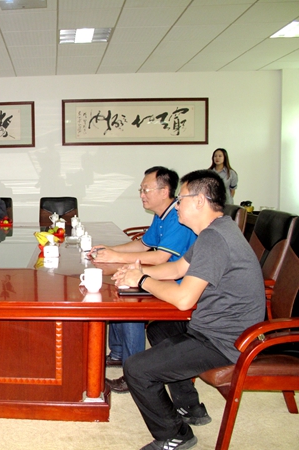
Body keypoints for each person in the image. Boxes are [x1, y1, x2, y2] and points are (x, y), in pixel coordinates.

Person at [113, 170, 265, 450]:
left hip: (227, 340)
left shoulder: (214, 239)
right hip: (215, 326)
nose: (176, 206)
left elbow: (183, 300)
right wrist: (136, 271)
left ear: (200, 201)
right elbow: (177, 268)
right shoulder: (214, 231)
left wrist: (143, 281)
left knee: (137, 369)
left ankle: (175, 434)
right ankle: (189, 406)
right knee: (161, 329)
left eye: (181, 199)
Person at [90, 167, 196, 394]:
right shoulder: (162, 214)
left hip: (180, 283)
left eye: (146, 190)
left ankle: (132, 371)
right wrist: (110, 250)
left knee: (129, 299)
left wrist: (117, 257)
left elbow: (160, 257)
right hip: (165, 274)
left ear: (164, 191)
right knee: (118, 284)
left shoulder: (177, 218)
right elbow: (144, 244)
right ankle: (118, 352)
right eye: (141, 190)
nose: (141, 194)